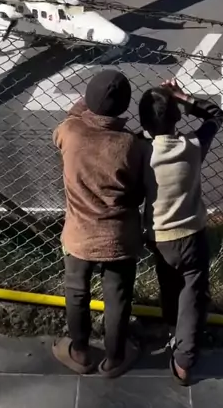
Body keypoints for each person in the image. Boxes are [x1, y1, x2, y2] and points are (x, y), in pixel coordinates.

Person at [52, 69, 144, 377]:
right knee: (117, 296)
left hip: (79, 233)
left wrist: (82, 109)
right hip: (119, 235)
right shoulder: (132, 144)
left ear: (88, 100)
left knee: (76, 290)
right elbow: (141, 187)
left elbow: (67, 124)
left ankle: (79, 351)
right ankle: (115, 358)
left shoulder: (70, 132)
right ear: (125, 105)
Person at [139, 79, 223, 385]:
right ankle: (184, 361)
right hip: (191, 234)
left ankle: (172, 331)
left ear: (144, 123)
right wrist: (183, 97)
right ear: (176, 117)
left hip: (158, 236)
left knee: (169, 285)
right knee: (193, 293)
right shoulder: (193, 146)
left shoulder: (141, 150)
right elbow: (215, 115)